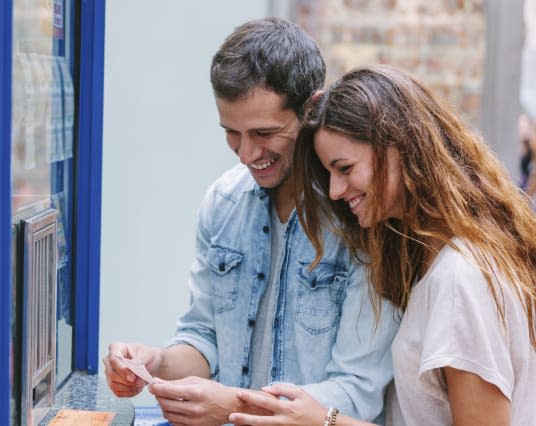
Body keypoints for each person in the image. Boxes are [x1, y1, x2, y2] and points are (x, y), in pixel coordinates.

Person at [103, 19, 399, 426]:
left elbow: (356, 393)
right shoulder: (222, 204)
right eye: (232, 133)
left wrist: (235, 405)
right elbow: (204, 339)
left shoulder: (362, 217)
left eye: (263, 132)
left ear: (311, 109)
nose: (245, 153)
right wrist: (156, 361)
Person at [228, 64, 536, 426]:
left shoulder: (459, 279)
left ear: (399, 149)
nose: (335, 191)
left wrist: (325, 420)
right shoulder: (434, 257)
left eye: (344, 168)